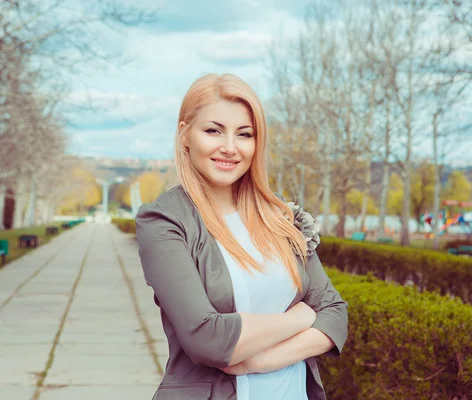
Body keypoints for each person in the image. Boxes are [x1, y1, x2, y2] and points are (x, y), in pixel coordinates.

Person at [135, 73, 348, 400]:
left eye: (244, 134)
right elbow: (208, 339)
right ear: (185, 136)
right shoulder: (164, 221)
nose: (230, 148)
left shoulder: (280, 216)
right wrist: (302, 317)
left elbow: (334, 314)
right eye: (213, 130)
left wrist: (258, 362)